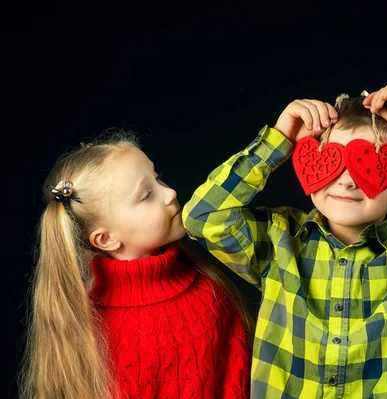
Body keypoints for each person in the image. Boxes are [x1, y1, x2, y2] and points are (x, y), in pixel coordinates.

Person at [182, 82, 387, 398]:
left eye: (367, 164)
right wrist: (277, 141)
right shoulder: (276, 238)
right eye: (335, 161)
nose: (346, 181)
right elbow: (202, 216)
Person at [19, 131, 253, 399]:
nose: (170, 193)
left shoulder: (207, 287)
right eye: (146, 195)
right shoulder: (93, 334)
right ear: (106, 239)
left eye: (158, 178)